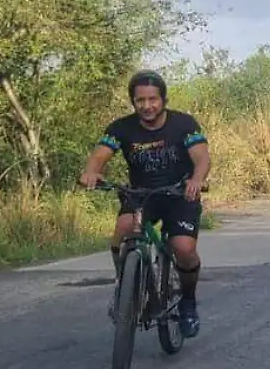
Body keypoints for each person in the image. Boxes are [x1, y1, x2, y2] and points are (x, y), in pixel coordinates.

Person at [79, 70, 211, 339]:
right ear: (133, 102)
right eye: (140, 100)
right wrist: (91, 172)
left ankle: (187, 301)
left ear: (163, 99)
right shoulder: (121, 128)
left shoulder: (183, 124)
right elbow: (100, 155)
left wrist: (197, 180)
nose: (147, 106)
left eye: (153, 99)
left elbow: (202, 158)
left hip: (179, 194)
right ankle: (125, 284)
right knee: (124, 228)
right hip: (140, 195)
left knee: (183, 248)